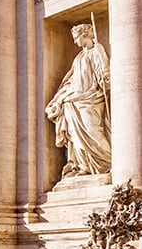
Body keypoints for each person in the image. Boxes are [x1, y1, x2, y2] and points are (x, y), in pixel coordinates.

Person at [45, 23, 110, 178]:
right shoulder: (79, 57)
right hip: (75, 99)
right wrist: (59, 99)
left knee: (94, 131)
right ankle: (83, 166)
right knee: (75, 134)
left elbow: (105, 70)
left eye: (76, 38)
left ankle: (107, 162)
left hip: (92, 99)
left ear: (85, 35)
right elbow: (71, 80)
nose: (74, 42)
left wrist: (105, 79)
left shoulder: (97, 50)